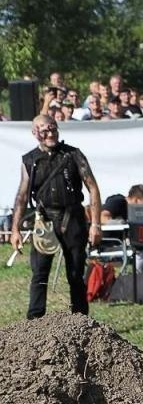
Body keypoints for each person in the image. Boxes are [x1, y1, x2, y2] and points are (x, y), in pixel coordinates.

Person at [9, 116, 103, 319]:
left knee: (76, 273)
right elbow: (22, 196)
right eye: (44, 130)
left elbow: (92, 188)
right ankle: (35, 322)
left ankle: (80, 320)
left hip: (73, 218)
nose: (50, 134)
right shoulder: (30, 160)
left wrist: (96, 224)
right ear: (35, 133)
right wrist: (15, 229)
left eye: (53, 129)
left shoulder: (74, 155)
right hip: (45, 222)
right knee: (40, 274)